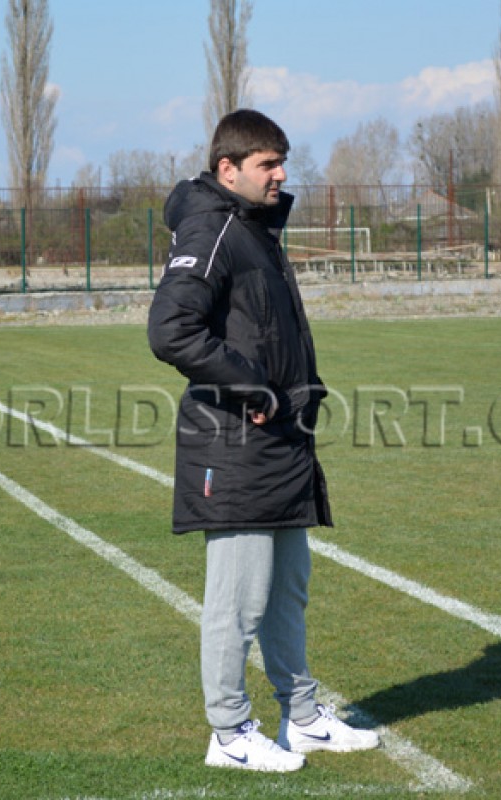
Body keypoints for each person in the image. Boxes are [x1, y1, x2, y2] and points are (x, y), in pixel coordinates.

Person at [147, 109, 379, 772]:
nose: (280, 175)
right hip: (235, 446)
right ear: (228, 169)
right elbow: (170, 330)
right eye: (267, 164)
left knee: (287, 591)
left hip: (281, 445)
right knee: (238, 600)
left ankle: (302, 718)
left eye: (282, 162)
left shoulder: (254, 229)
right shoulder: (213, 228)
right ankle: (228, 733)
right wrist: (254, 389)